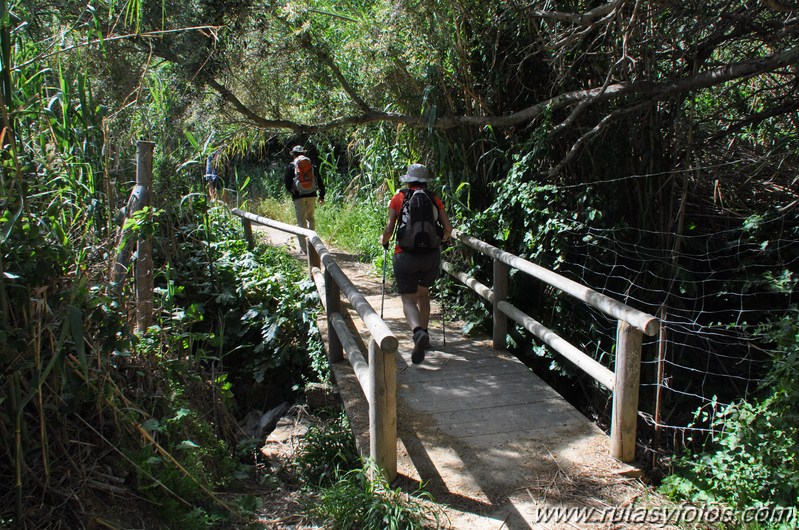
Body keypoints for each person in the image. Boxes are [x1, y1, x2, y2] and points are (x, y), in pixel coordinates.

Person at [380, 163, 452, 364]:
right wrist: (443, 239)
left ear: (408, 180)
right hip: (430, 256)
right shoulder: (433, 198)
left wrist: (383, 241)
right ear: (425, 181)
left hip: (405, 255)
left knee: (408, 300)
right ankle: (426, 334)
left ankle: (418, 332)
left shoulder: (399, 198)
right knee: (423, 294)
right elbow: (448, 228)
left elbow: (389, 230)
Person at [283, 145, 325, 253]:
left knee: (301, 222)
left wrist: (294, 192)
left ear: (294, 154)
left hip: (298, 196)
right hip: (312, 195)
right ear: (303, 153)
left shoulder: (291, 166)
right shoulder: (311, 166)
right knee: (310, 218)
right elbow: (319, 180)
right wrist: (321, 195)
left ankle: (304, 248)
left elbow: (287, 183)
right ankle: (312, 244)